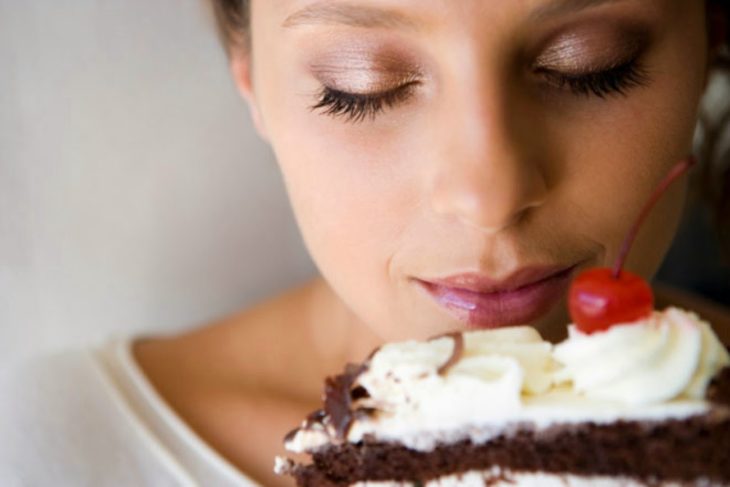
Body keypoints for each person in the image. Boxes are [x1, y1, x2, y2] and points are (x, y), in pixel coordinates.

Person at [2, 1, 729, 486]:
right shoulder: (54, 450)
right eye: (362, 86)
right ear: (251, 78)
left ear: (711, 39)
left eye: (588, 64)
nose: (488, 197)